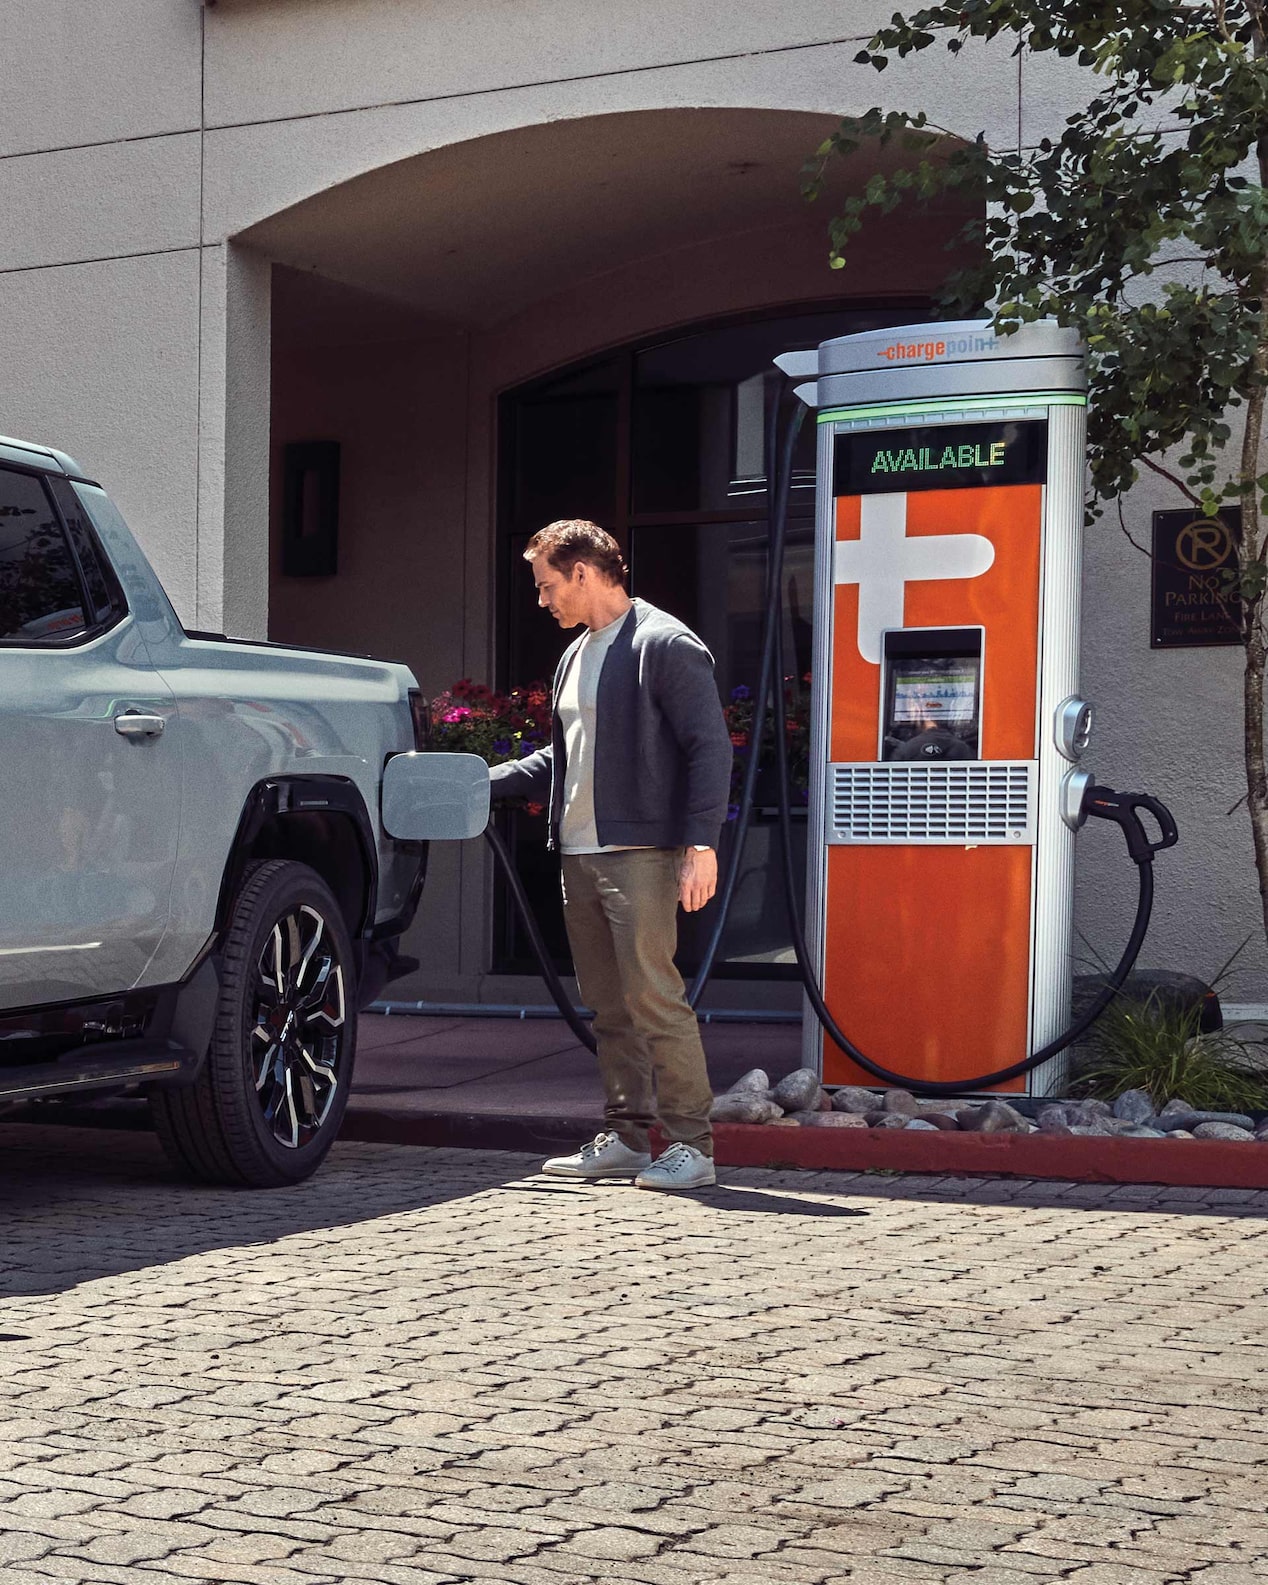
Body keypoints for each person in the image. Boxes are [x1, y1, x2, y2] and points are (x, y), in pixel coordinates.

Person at [490, 519, 732, 1191]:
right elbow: (563, 757)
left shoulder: (664, 643)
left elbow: (709, 748)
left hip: (641, 854)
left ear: (582, 573)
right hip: (578, 853)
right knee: (609, 1007)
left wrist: (702, 844)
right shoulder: (576, 654)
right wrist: (481, 782)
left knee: (655, 999)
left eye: (547, 585)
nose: (542, 600)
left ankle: (692, 1146)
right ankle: (626, 1138)